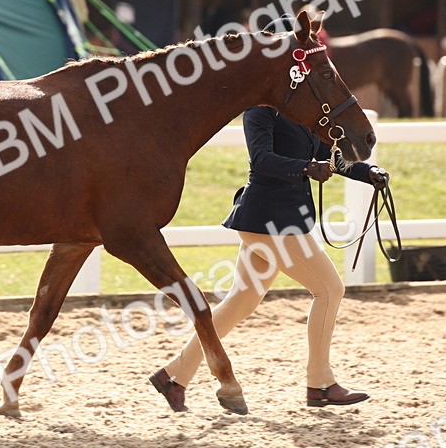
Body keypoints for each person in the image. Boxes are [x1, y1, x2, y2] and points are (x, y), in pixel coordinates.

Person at [148, 104, 389, 413]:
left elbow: (329, 158)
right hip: (269, 223)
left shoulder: (302, 113)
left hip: (276, 223)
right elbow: (261, 159)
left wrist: (367, 172)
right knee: (329, 290)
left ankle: (174, 376)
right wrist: (305, 168)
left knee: (242, 301)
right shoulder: (259, 111)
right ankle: (320, 384)